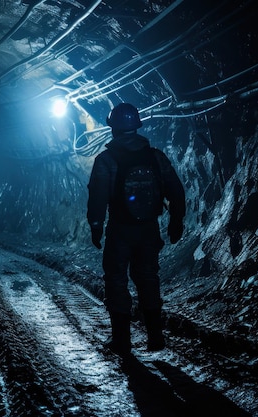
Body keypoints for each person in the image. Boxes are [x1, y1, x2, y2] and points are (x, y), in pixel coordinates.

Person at [87, 103, 186, 355]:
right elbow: (176, 190)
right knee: (148, 277)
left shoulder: (106, 160)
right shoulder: (156, 157)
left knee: (117, 280)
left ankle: (122, 341)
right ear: (137, 126)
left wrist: (96, 226)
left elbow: (98, 197)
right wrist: (176, 221)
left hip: (120, 229)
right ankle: (155, 338)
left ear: (113, 129)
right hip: (149, 229)